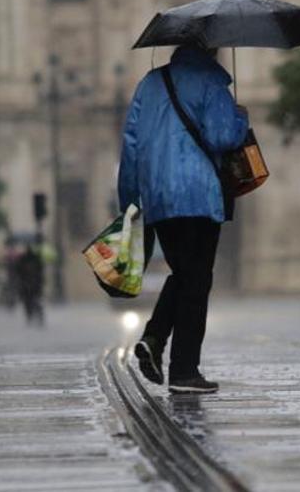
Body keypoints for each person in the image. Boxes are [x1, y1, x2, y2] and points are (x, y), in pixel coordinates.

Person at [118, 43, 249, 394]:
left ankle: (154, 338)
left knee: (184, 273)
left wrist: (129, 201)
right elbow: (223, 137)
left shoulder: (149, 83)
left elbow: (130, 144)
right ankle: (184, 371)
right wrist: (240, 116)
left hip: (158, 196)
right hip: (199, 193)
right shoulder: (211, 81)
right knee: (197, 279)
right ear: (212, 49)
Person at [15, 242, 45, 326]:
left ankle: (31, 316)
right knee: (35, 300)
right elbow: (40, 271)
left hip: (28, 284)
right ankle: (36, 316)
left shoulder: (23, 259)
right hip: (34, 284)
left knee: (28, 302)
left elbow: (18, 271)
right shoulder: (36, 258)